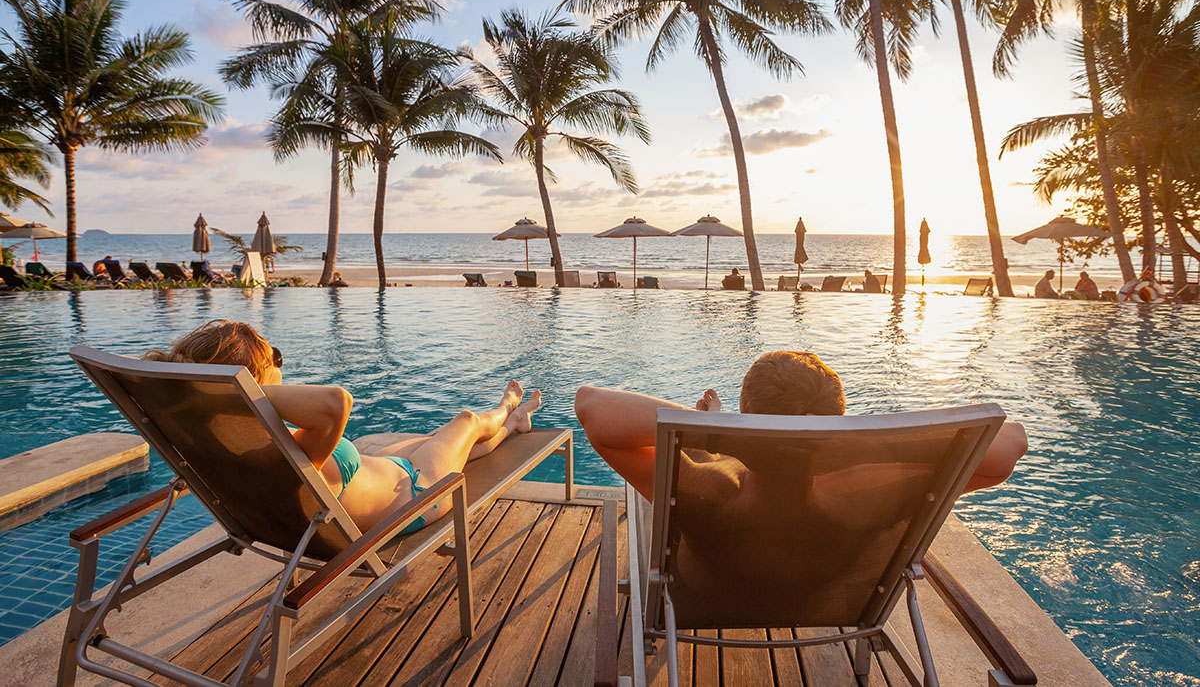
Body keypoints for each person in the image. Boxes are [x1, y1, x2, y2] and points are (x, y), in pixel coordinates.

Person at [143, 320, 542, 532]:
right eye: (274, 359)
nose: (281, 365)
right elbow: (337, 401)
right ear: (254, 382)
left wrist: (214, 395)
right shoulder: (278, 449)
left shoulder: (222, 444)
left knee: (455, 443)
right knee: (466, 423)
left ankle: (513, 422)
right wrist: (241, 392)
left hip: (387, 475)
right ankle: (507, 405)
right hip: (418, 493)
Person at [575, 351, 1028, 503]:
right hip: (835, 601)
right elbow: (1010, 442)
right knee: (720, 461)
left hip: (710, 591)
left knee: (711, 461)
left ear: (745, 416)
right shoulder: (870, 491)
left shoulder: (708, 494)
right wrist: (851, 445)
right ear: (841, 417)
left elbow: (593, 406)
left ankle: (718, 439)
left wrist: (725, 431)